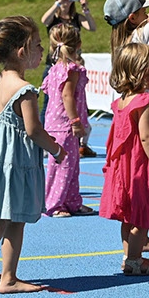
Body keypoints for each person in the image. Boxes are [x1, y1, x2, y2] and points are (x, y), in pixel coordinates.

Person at [0, 16, 66, 293]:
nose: (42, 50)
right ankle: (8, 279)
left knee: (3, 214)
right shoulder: (25, 90)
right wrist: (57, 150)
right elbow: (34, 131)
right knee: (16, 217)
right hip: (15, 161)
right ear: (22, 52)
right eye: (38, 45)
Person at [99, 43, 149, 275]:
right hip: (139, 166)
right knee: (142, 215)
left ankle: (129, 257)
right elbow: (147, 137)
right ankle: (135, 260)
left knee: (128, 216)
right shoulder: (144, 102)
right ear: (143, 74)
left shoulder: (122, 102)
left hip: (124, 167)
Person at [41, 24, 94, 217]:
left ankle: (72, 202)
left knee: (72, 165)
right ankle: (54, 205)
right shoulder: (71, 70)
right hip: (64, 125)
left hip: (56, 123)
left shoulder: (55, 69)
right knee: (62, 166)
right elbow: (67, 96)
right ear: (78, 44)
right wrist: (75, 121)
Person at [39, 0, 97, 159]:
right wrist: (59, 3)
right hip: (54, 65)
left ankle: (78, 141)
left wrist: (85, 9)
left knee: (76, 99)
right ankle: (44, 141)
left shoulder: (76, 18)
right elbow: (44, 20)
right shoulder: (54, 18)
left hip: (73, 64)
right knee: (50, 102)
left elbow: (92, 27)